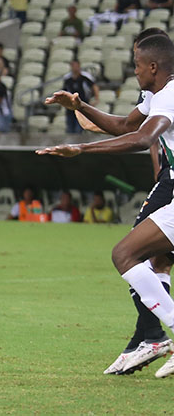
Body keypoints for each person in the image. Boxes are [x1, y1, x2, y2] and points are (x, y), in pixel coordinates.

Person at [36, 34, 174, 377]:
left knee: (127, 254)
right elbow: (126, 126)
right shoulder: (159, 94)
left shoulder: (169, 96)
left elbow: (142, 138)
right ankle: (149, 336)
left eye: (137, 64)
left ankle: (154, 337)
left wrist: (81, 149)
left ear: (153, 67)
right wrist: (80, 106)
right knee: (153, 258)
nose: (134, 71)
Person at [62, 59, 99, 133]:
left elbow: (94, 86)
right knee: (70, 127)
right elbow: (65, 90)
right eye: (73, 66)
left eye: (76, 66)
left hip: (82, 105)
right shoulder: (67, 78)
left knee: (79, 127)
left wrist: (96, 98)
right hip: (71, 106)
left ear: (79, 66)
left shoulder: (85, 77)